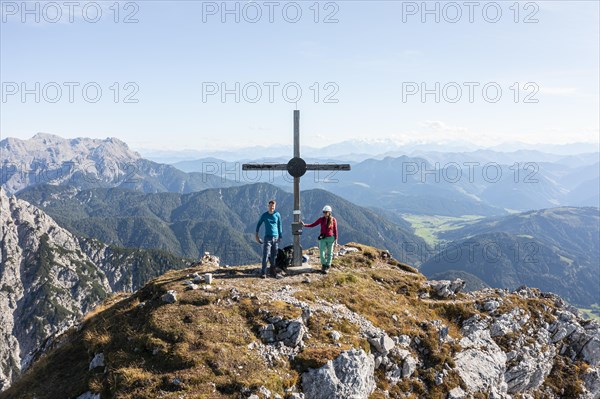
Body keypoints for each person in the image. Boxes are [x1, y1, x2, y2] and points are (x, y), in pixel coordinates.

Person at [302, 205, 338, 274]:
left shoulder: (333, 220)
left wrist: (336, 239)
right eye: (323, 212)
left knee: (330, 253)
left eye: (325, 212)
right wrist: (305, 225)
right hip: (323, 238)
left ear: (329, 212)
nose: (324, 213)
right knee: (322, 252)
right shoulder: (321, 219)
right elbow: (313, 224)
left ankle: (328, 265)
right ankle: (324, 264)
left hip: (331, 238)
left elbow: (335, 230)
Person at [255, 199, 283, 278]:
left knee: (274, 255)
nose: (272, 207)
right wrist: (256, 235)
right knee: (266, 255)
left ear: (275, 206)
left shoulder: (277, 214)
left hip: (276, 237)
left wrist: (280, 236)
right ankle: (263, 272)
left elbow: (279, 225)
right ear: (268, 206)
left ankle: (272, 272)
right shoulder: (264, 215)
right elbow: (259, 224)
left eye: (273, 206)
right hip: (267, 237)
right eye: (270, 206)